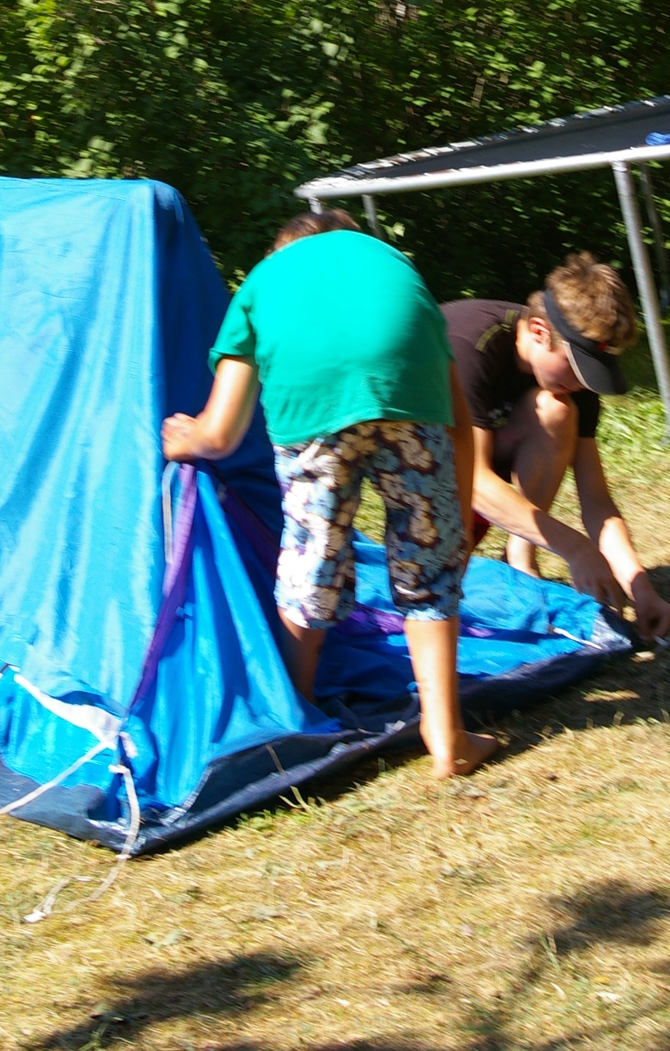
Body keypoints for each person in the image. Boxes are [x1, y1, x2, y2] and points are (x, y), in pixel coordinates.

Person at [161, 209, 499, 779]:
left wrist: (183, 437)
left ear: (281, 249)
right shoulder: (389, 265)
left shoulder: (266, 280)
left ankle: (296, 707)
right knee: (427, 571)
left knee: (311, 559)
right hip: (408, 394)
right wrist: (454, 523)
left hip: (314, 412)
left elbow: (220, 435)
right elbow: (460, 425)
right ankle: (447, 738)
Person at [442, 253, 670, 643]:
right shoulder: (471, 345)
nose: (583, 383)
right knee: (439, 589)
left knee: (557, 411)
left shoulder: (573, 382)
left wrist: (641, 589)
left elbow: (596, 500)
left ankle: (519, 558)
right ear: (539, 332)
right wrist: (575, 548)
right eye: (576, 365)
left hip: (478, 451)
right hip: (415, 453)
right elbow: (472, 481)